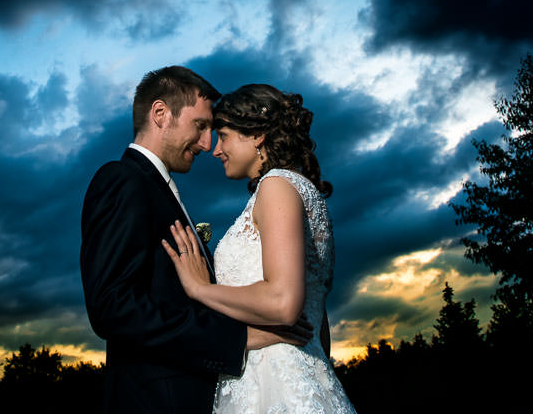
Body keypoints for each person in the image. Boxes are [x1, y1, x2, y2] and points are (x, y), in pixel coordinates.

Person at [81, 67, 309, 414]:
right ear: (160, 114)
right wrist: (238, 338)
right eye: (201, 126)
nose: (207, 144)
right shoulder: (122, 180)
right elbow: (112, 306)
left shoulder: (160, 191)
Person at [163, 84, 357, 414]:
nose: (215, 149)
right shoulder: (300, 191)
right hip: (300, 376)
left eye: (223, 135)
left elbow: (283, 302)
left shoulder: (277, 185)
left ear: (257, 135)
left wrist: (200, 289)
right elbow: (318, 327)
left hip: (274, 385)